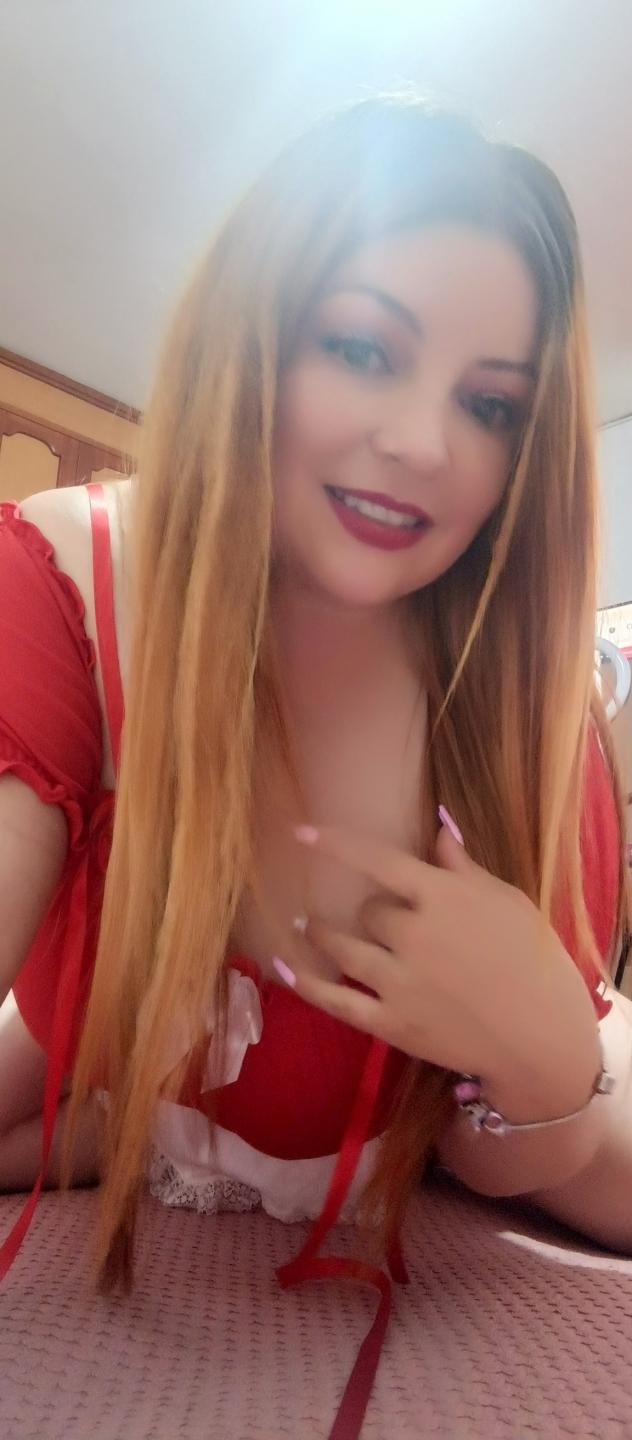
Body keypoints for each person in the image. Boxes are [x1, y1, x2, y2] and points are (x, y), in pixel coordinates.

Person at [1, 93, 631, 1437]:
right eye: (359, 346)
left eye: (491, 405)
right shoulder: (65, 585)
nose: (424, 444)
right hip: (112, 1090)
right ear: (254, 332)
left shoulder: (524, 716)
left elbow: (533, 1154)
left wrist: (546, 1061)